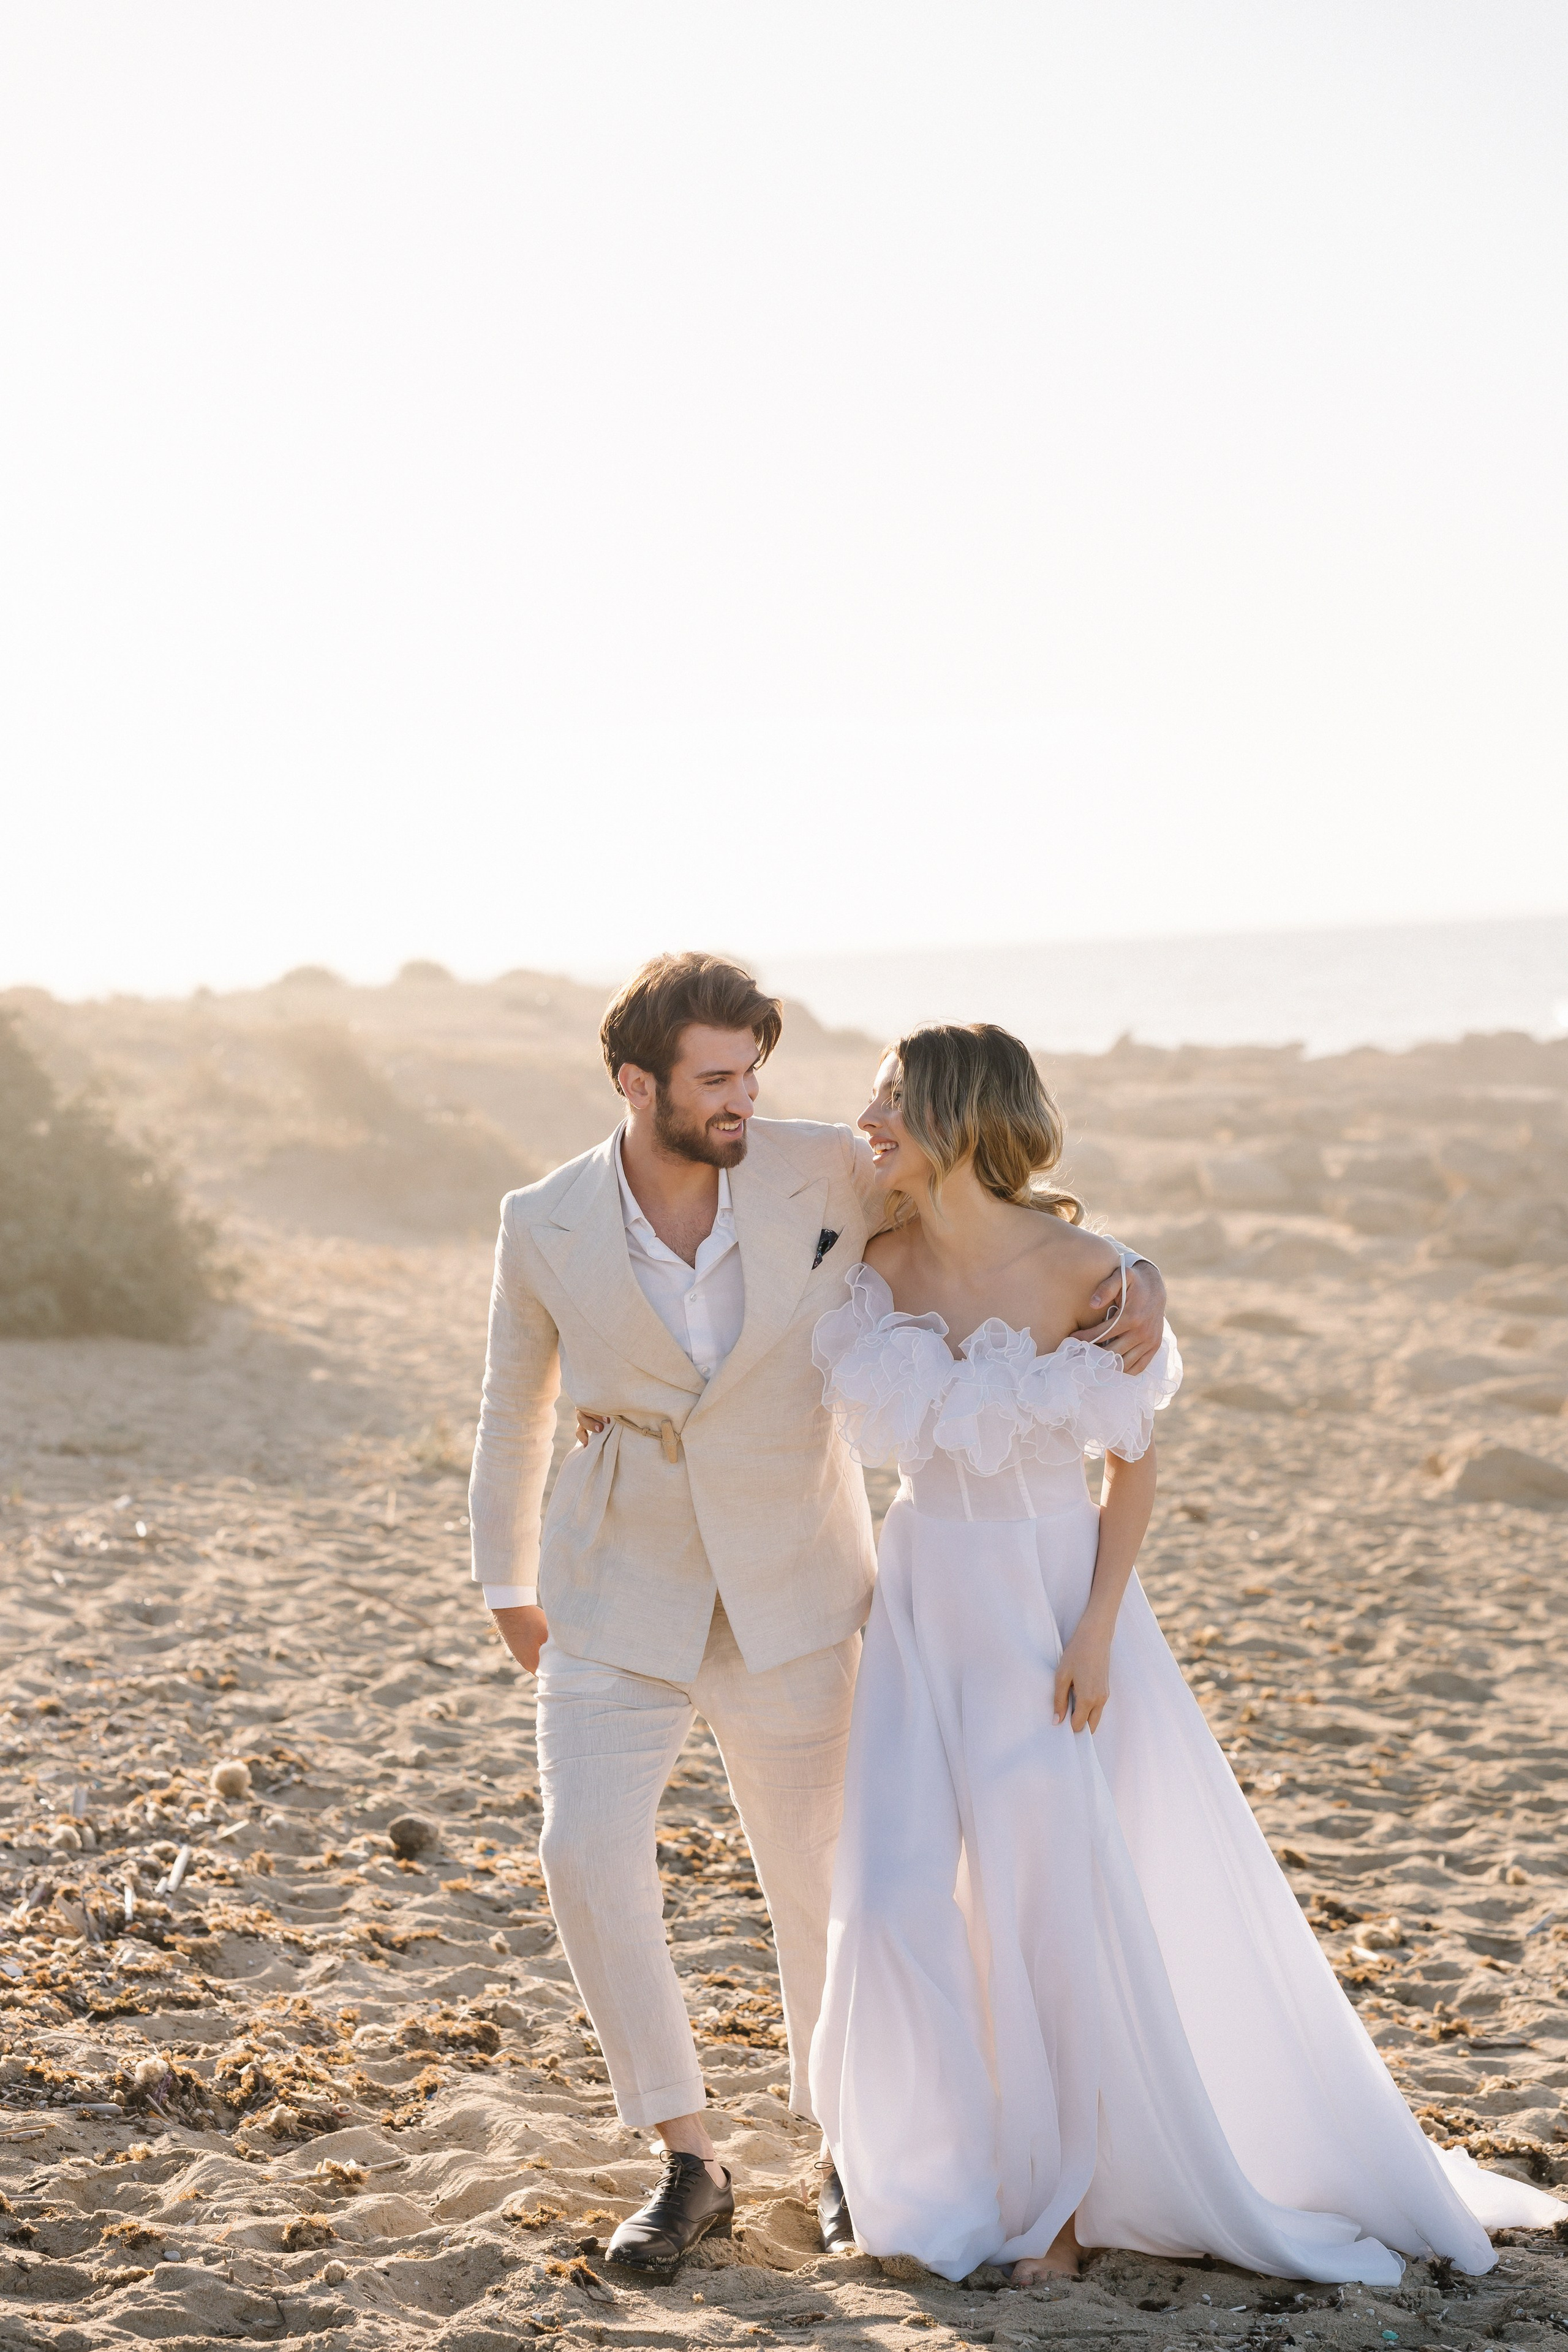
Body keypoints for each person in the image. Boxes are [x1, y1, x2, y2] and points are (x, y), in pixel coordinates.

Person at [808, 1021, 1564, 2285]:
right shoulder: (869, 1260)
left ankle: (1052, 2215)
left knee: (1044, 1908)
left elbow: (1130, 1466)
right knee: (888, 1902)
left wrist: (1096, 1628)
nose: (865, 1119)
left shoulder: (1090, 1275)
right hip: (918, 1606)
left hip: (1048, 1609)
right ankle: (926, 2186)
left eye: (888, 1098)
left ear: (955, 1116)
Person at [469, 953, 1168, 2279]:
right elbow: (516, 1407)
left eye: (753, 1074)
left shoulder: (823, 1169)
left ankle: (850, 2144)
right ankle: (687, 2155)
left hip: (793, 1578)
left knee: (823, 1887)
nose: (745, 1100)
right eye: (716, 1079)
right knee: (581, 1850)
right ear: (638, 1083)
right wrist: (504, 1581)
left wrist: (1138, 1278)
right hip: (616, 1580)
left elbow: (994, 1216)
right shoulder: (541, 1218)